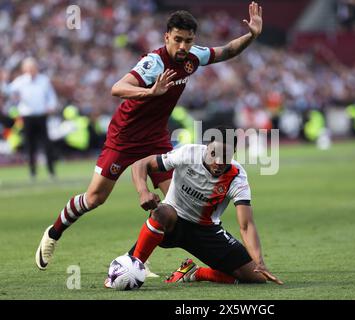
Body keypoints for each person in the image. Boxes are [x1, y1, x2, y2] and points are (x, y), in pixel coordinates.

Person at [35, 2, 263, 271]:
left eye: (188, 41)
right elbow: (117, 88)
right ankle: (54, 233)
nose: (182, 46)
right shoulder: (153, 63)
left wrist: (252, 35)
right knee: (95, 198)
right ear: (166, 36)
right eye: (177, 39)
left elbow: (226, 51)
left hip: (155, 138)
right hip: (124, 137)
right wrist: (149, 92)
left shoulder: (193, 57)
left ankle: (140, 261)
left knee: (177, 207)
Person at [105, 127, 282, 286]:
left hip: (206, 232)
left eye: (226, 156)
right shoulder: (189, 153)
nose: (219, 161)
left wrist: (259, 262)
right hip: (171, 223)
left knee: (257, 277)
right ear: (207, 149)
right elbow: (141, 164)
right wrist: (143, 191)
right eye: (214, 154)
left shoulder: (237, 177)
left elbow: (246, 225)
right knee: (162, 212)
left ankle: (196, 273)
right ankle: (132, 266)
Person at [0, 58, 58, 180]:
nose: (31, 70)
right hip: (27, 117)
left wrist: (51, 106)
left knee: (46, 144)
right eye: (29, 68)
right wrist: (3, 80)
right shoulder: (21, 81)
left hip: (41, 115)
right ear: (25, 69)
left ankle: (51, 171)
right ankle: (33, 172)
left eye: (33, 67)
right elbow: (8, 90)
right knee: (30, 145)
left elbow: (51, 96)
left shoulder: (43, 80)